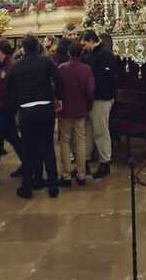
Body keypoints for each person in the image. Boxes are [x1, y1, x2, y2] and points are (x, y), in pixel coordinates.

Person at [5, 34, 63, 199]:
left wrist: (16, 106)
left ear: (23, 48)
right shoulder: (46, 61)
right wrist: (58, 97)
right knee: (48, 147)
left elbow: (10, 89)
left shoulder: (16, 66)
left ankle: (27, 187)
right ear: (38, 46)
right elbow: (58, 79)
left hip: (26, 110)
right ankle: (53, 186)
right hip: (45, 108)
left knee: (29, 149)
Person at [0, 41, 24, 185]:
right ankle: (27, 165)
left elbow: (8, 90)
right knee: (3, 139)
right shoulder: (1, 66)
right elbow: (0, 89)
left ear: (1, 51)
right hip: (2, 107)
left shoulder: (10, 66)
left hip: (6, 108)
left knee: (1, 139)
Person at [82, 29, 119, 179]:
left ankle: (105, 162)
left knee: (100, 130)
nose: (84, 47)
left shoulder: (105, 54)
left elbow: (109, 77)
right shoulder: (92, 53)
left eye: (85, 44)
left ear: (92, 40)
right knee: (89, 131)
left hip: (102, 98)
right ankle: (85, 160)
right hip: (93, 98)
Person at [57, 41, 94, 187]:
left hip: (65, 110)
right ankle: (81, 174)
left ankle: (66, 175)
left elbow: (57, 88)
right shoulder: (86, 69)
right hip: (80, 109)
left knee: (65, 142)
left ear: (69, 53)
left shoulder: (61, 68)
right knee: (81, 141)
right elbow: (90, 91)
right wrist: (88, 105)